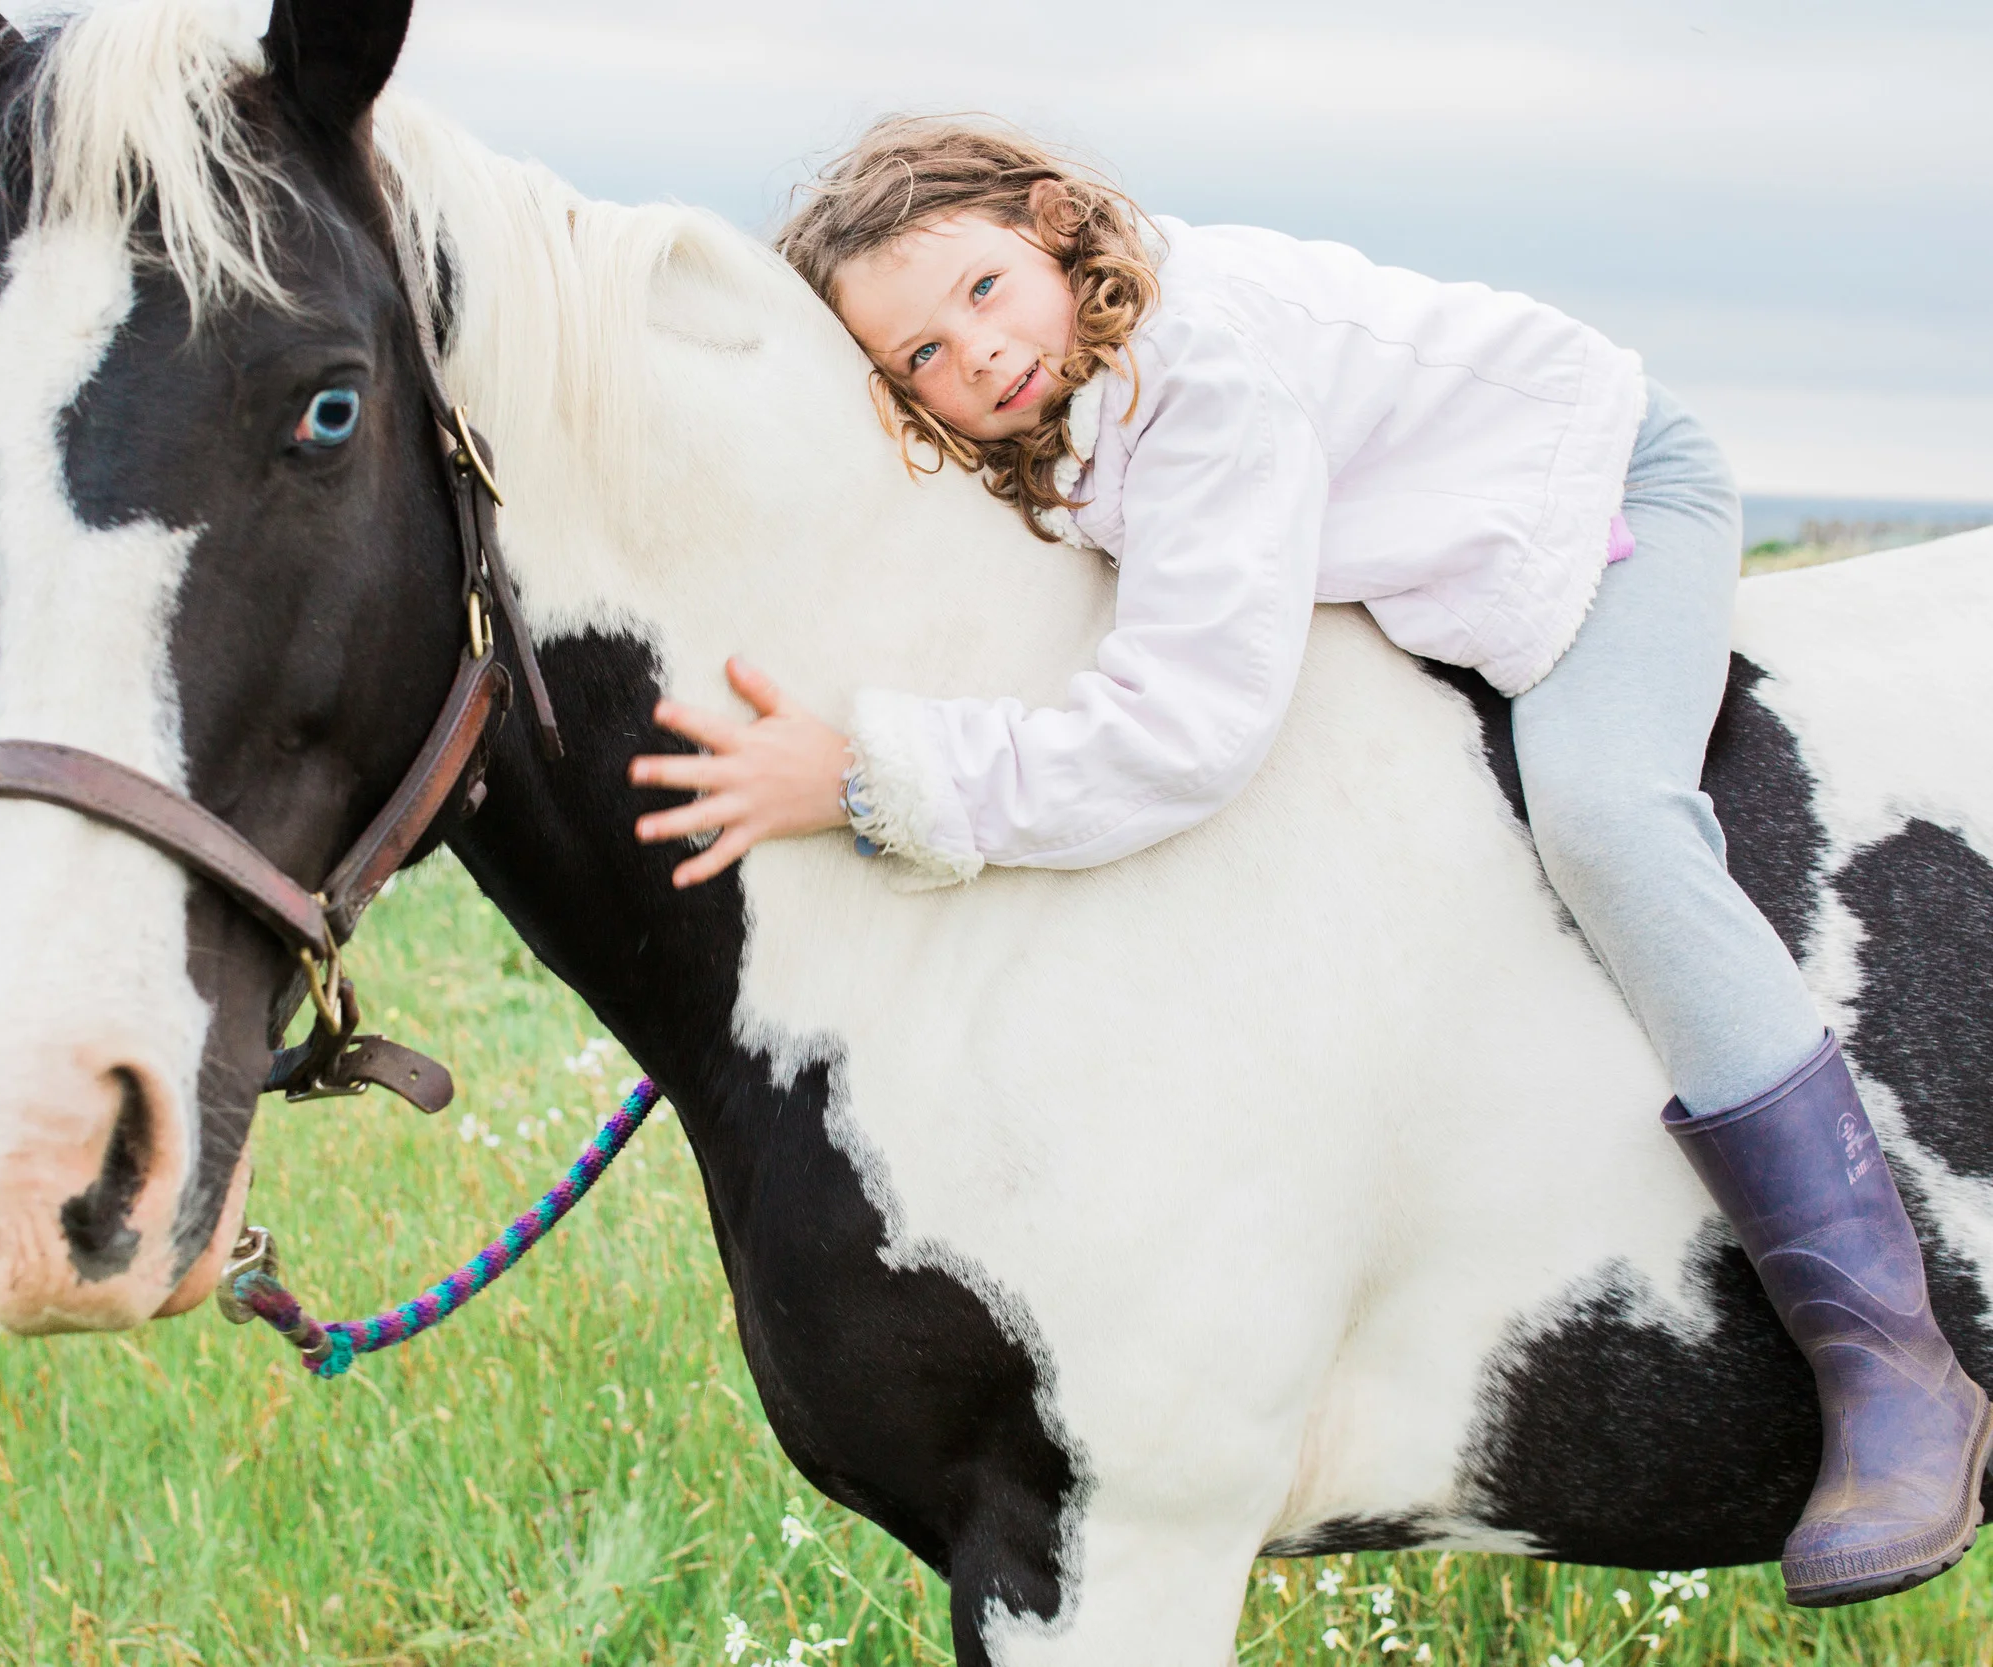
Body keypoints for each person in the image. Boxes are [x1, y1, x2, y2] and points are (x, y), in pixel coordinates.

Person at [625, 114, 1989, 1606]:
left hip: (1600, 511)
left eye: (979, 293)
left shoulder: (1201, 380)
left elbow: (1184, 731)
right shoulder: (1066, 400)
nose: (973, 360)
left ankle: (1894, 1358)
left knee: (1609, 816)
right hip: (1428, 558)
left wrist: (879, 777)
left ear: (1050, 221)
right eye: (918, 363)